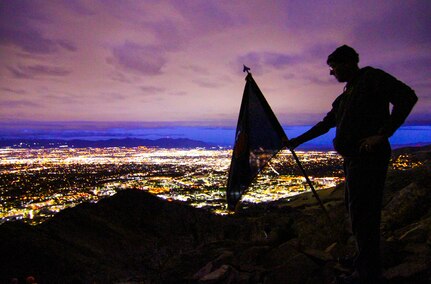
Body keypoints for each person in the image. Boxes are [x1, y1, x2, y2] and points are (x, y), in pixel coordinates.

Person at [288, 45, 418, 283]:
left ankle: (368, 272)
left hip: (369, 158)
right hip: (353, 160)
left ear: (348, 63)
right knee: (355, 209)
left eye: (333, 67)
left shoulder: (372, 78)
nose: (331, 73)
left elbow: (407, 97)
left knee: (364, 213)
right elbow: (326, 124)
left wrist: (383, 134)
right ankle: (363, 259)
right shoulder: (346, 95)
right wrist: (297, 140)